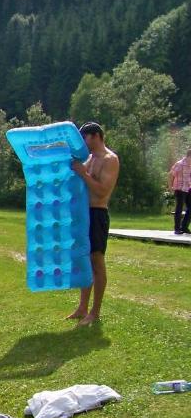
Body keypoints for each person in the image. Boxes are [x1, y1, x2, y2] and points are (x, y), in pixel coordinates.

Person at [67, 122, 120, 326]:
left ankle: (95, 312)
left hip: (97, 213)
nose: (82, 143)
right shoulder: (88, 159)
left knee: (96, 261)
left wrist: (83, 173)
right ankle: (82, 308)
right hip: (82, 214)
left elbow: (102, 191)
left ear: (95, 136)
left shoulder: (110, 159)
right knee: (84, 261)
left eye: (84, 138)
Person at [169, 146, 191, 235]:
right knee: (179, 208)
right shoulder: (180, 164)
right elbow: (170, 175)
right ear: (189, 156)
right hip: (179, 189)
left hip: (188, 188)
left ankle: (184, 227)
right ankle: (177, 229)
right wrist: (170, 187)